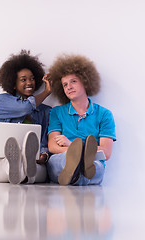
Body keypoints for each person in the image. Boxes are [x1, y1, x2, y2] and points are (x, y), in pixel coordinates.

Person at [46, 54, 116, 185]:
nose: (69, 87)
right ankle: (79, 173)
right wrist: (77, 153)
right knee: (57, 160)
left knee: (97, 165)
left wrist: (70, 144)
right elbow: (52, 146)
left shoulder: (104, 114)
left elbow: (106, 153)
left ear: (85, 82)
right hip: (64, 158)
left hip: (92, 161)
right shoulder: (56, 112)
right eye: (65, 84)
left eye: (73, 81)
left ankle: (75, 176)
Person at [0, 50, 52, 184]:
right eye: (23, 80)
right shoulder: (3, 101)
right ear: (13, 84)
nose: (30, 82)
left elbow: (45, 141)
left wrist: (43, 156)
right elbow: (25, 107)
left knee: (40, 171)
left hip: (35, 162)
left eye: (32, 78)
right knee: (7, 165)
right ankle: (17, 165)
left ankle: (24, 167)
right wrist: (46, 92)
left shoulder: (46, 111)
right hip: (2, 159)